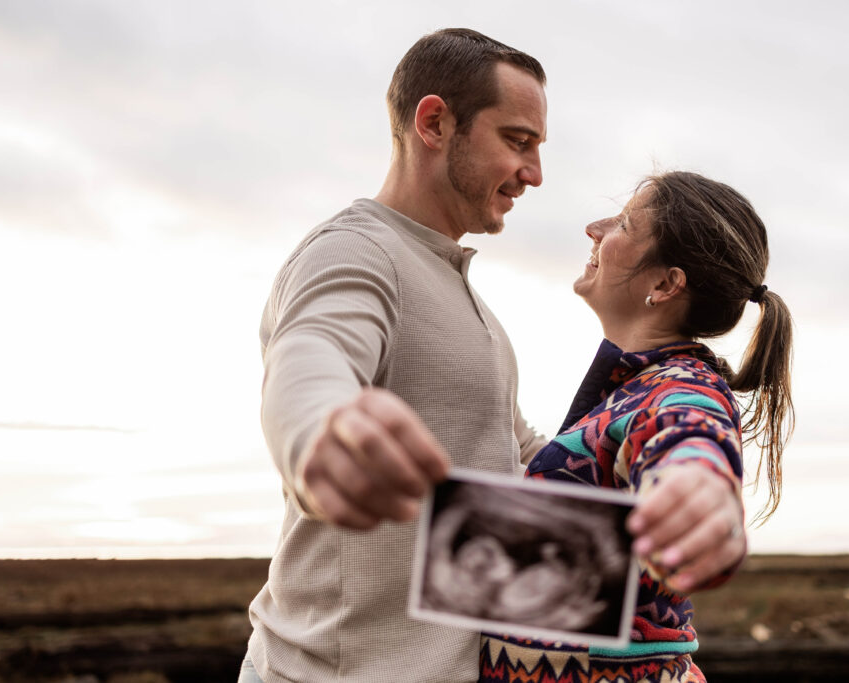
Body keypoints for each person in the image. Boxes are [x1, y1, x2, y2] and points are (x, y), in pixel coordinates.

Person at [240, 29, 550, 682]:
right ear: (435, 122)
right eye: (517, 141)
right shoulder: (356, 250)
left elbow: (518, 455)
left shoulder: (475, 306)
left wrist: (670, 474)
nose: (535, 174)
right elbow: (311, 353)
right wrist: (322, 431)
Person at [479, 171, 795, 683]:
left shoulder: (682, 385)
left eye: (624, 222)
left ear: (666, 284)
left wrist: (696, 483)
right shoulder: (630, 387)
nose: (594, 229)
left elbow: (688, 429)